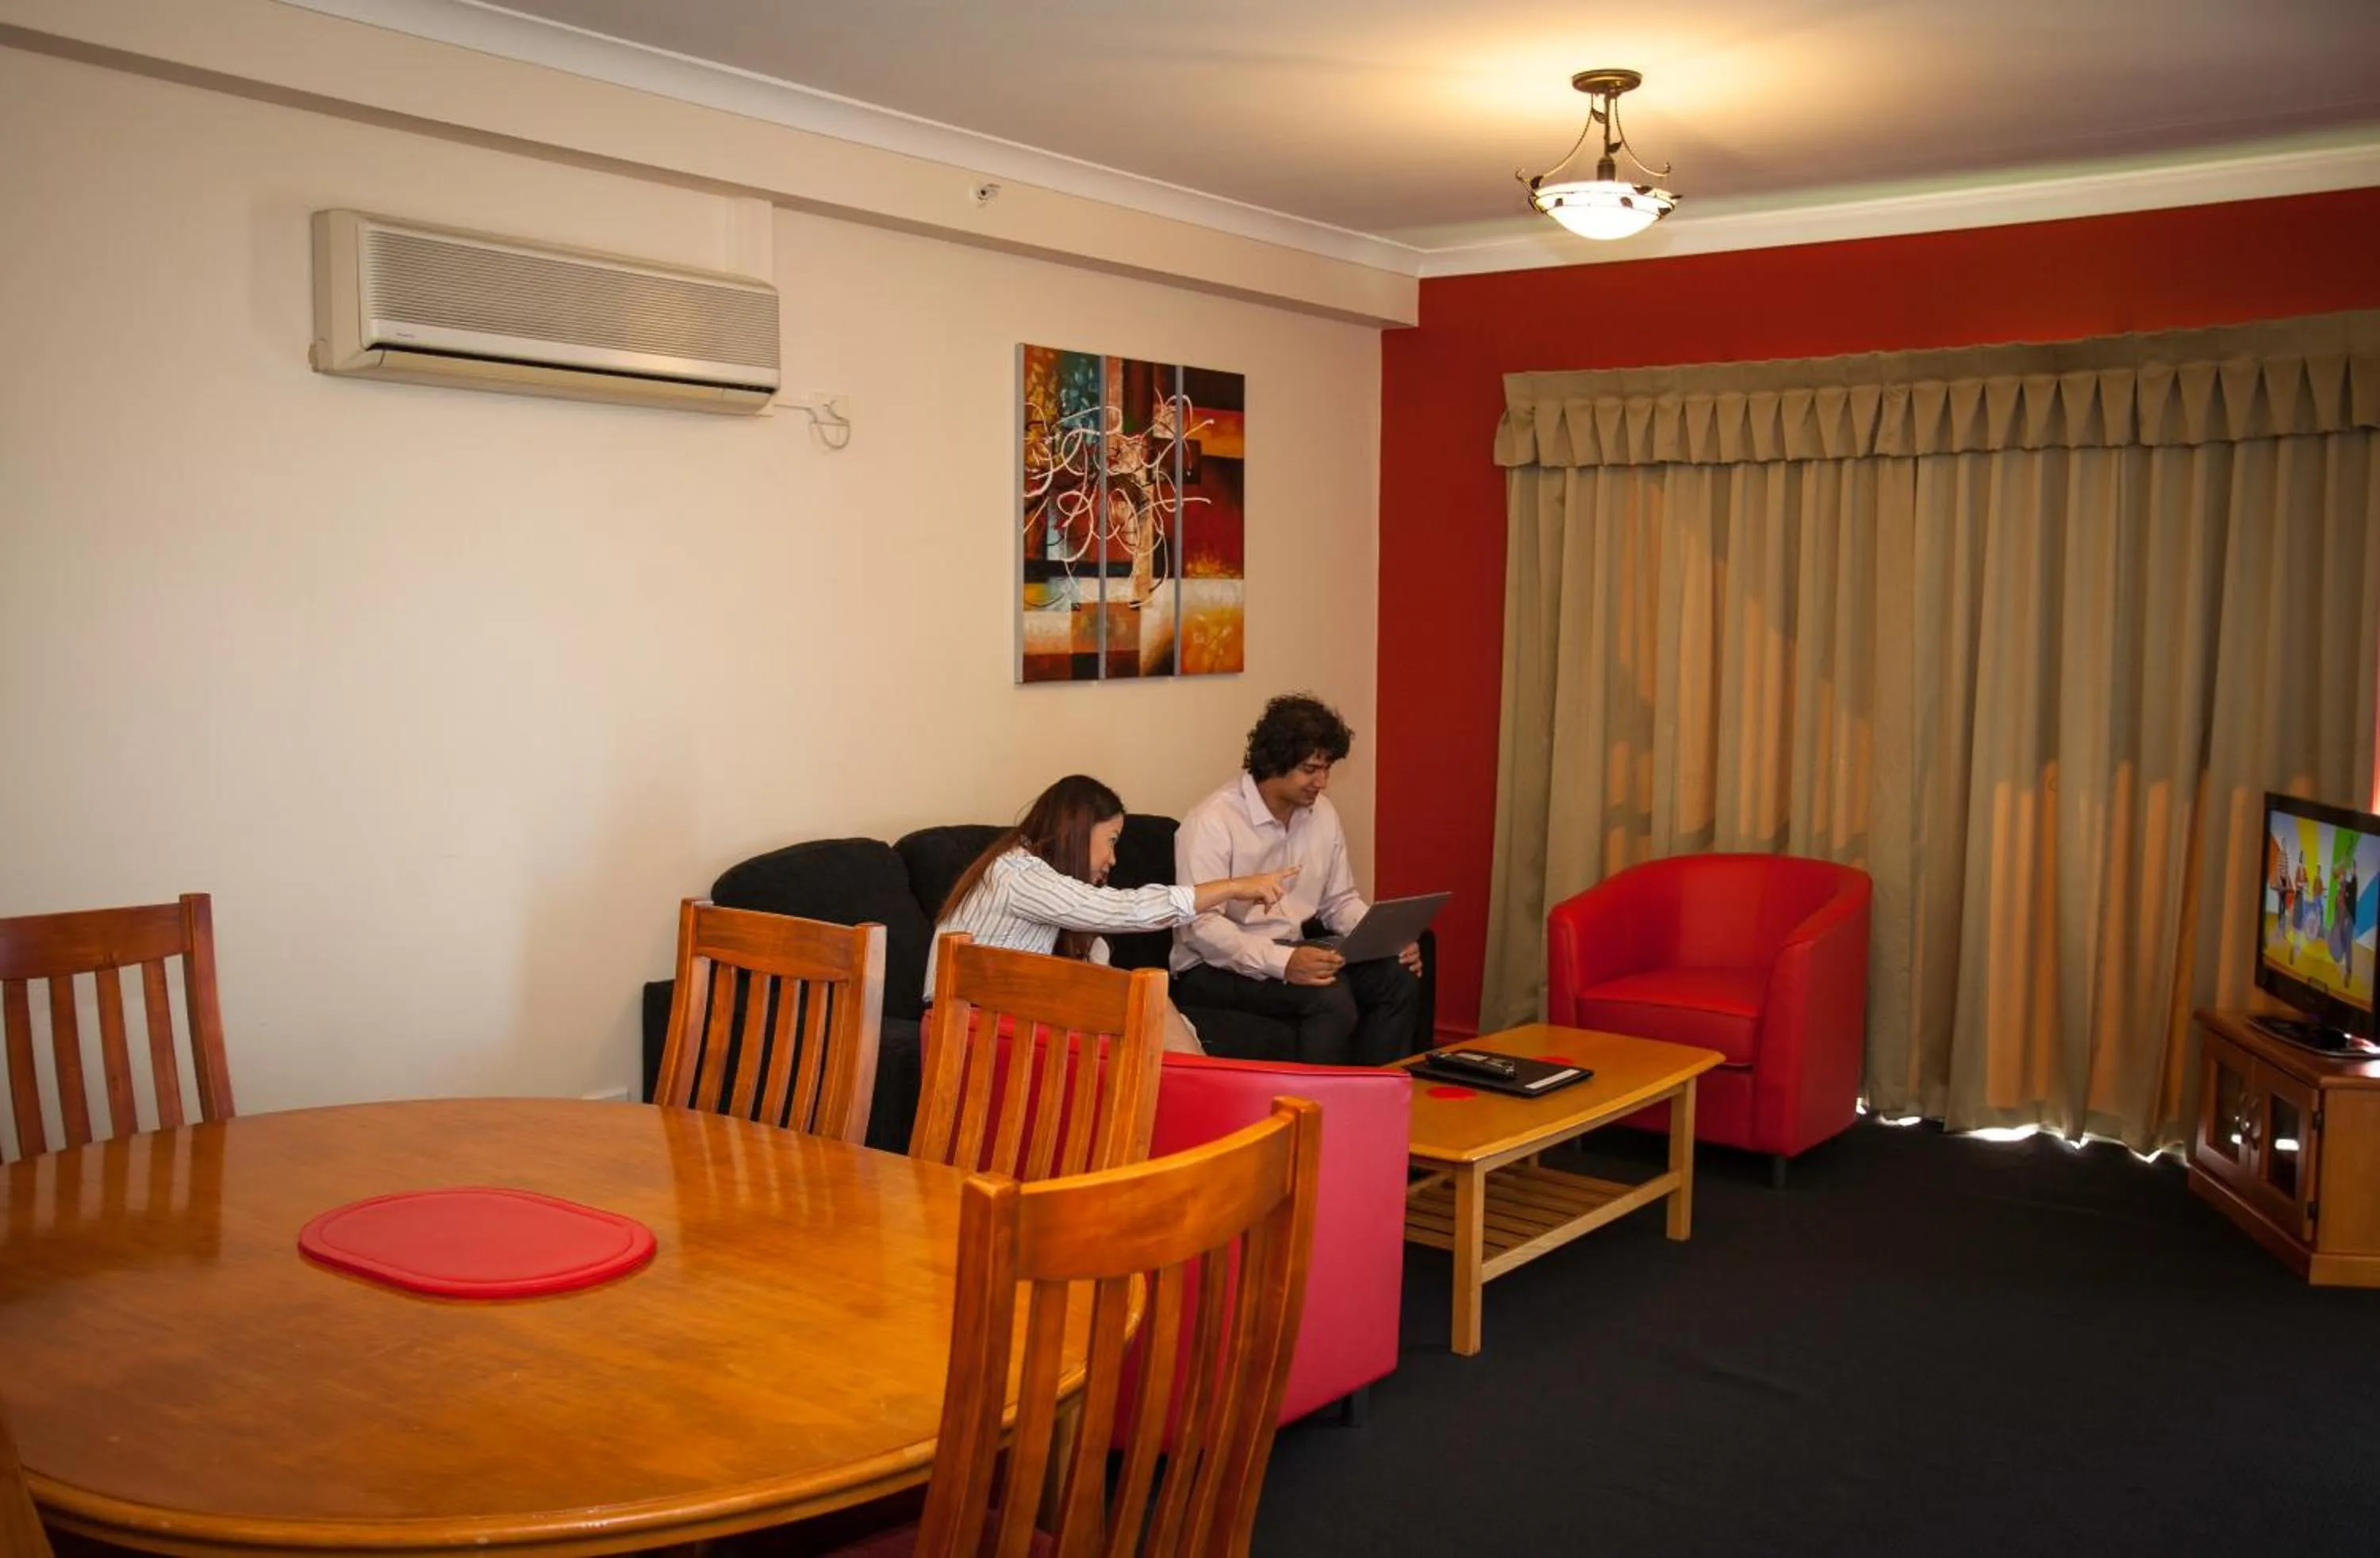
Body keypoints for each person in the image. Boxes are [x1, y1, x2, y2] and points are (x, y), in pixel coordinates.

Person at [928, 774, 1296, 1053]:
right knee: (1148, 1006)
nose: (1114, 859)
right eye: (1112, 841)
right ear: (1078, 832)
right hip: (968, 1028)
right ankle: (1209, 1111)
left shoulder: (1027, 873)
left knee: (1146, 1007)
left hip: (994, 1018)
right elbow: (1125, 910)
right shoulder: (1017, 874)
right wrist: (1232, 887)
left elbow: (1093, 960)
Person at [1169, 693, 1422, 1067]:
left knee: (1397, 976)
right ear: (1273, 763)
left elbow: (1339, 902)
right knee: (1329, 997)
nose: (1322, 782)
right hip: (1211, 966)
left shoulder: (1320, 815)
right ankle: (1315, 1116)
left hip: (1293, 945)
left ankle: (1376, 1097)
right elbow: (1201, 930)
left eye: (1327, 768)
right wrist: (1282, 962)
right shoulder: (1212, 823)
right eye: (1310, 769)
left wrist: (1383, 939)